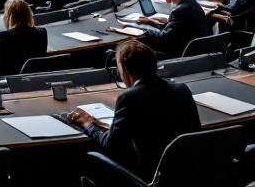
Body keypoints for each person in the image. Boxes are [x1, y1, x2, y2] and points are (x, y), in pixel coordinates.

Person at [69, 40, 200, 181]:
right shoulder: (182, 90)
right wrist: (103, 125)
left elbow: (112, 146)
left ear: (125, 70)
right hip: (187, 172)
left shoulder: (129, 97)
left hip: (150, 175)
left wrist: (88, 124)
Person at [138, 0, 211, 57]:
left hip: (185, 52)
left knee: (141, 42)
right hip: (199, 47)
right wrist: (151, 21)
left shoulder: (178, 11)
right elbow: (178, 26)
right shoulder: (190, 1)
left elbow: (163, 39)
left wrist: (144, 31)